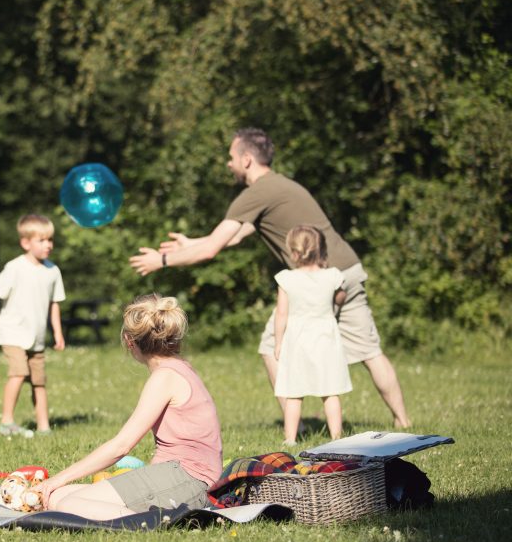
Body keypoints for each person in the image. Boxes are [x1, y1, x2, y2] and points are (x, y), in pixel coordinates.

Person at [128, 127, 412, 429]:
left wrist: (162, 260)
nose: (228, 163)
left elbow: (213, 249)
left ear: (247, 159)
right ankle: (403, 421)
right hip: (348, 271)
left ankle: (297, 426)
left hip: (313, 282)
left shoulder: (255, 193)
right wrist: (192, 242)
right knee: (370, 352)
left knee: (271, 347)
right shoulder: (280, 187)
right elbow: (231, 238)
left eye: (231, 157)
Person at [35, 294, 221, 519]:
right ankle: (148, 515)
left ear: (130, 342)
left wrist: (58, 477)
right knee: (57, 497)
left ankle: (154, 523)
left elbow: (121, 446)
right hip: (177, 478)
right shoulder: (179, 368)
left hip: (187, 481)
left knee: (68, 504)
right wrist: (56, 485)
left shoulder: (165, 377)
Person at [0, 214, 66, 437]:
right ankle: (7, 421)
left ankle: (44, 426)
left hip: (36, 338)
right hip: (13, 333)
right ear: (26, 243)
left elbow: (54, 304)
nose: (48, 245)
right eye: (42, 240)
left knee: (39, 382)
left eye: (50, 240)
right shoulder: (14, 268)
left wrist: (57, 332)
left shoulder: (53, 271)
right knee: (18, 373)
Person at [274, 225, 352, 444]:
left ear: (294, 252)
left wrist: (278, 342)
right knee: (331, 390)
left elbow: (282, 314)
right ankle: (337, 437)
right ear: (320, 249)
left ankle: (290, 439)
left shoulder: (286, 278)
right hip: (325, 336)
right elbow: (341, 297)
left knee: (293, 391)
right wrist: (337, 299)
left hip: (297, 338)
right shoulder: (333, 276)